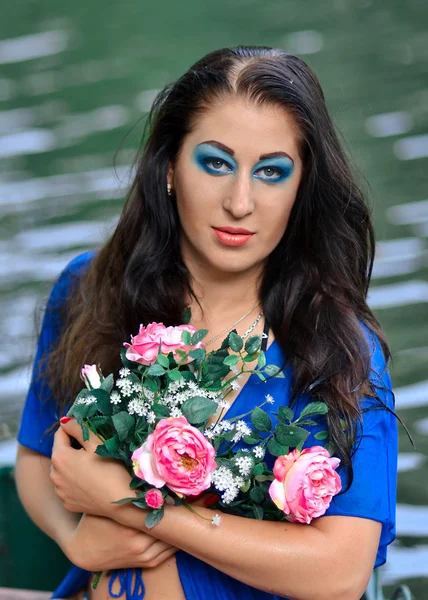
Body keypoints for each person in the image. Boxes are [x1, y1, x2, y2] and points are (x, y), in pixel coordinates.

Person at [15, 46, 398, 600]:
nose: (239, 202)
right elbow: (35, 458)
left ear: (301, 189)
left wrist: (141, 506)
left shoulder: (338, 348)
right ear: (170, 168)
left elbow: (339, 573)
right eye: (215, 162)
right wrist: (74, 541)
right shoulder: (89, 288)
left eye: (271, 172)